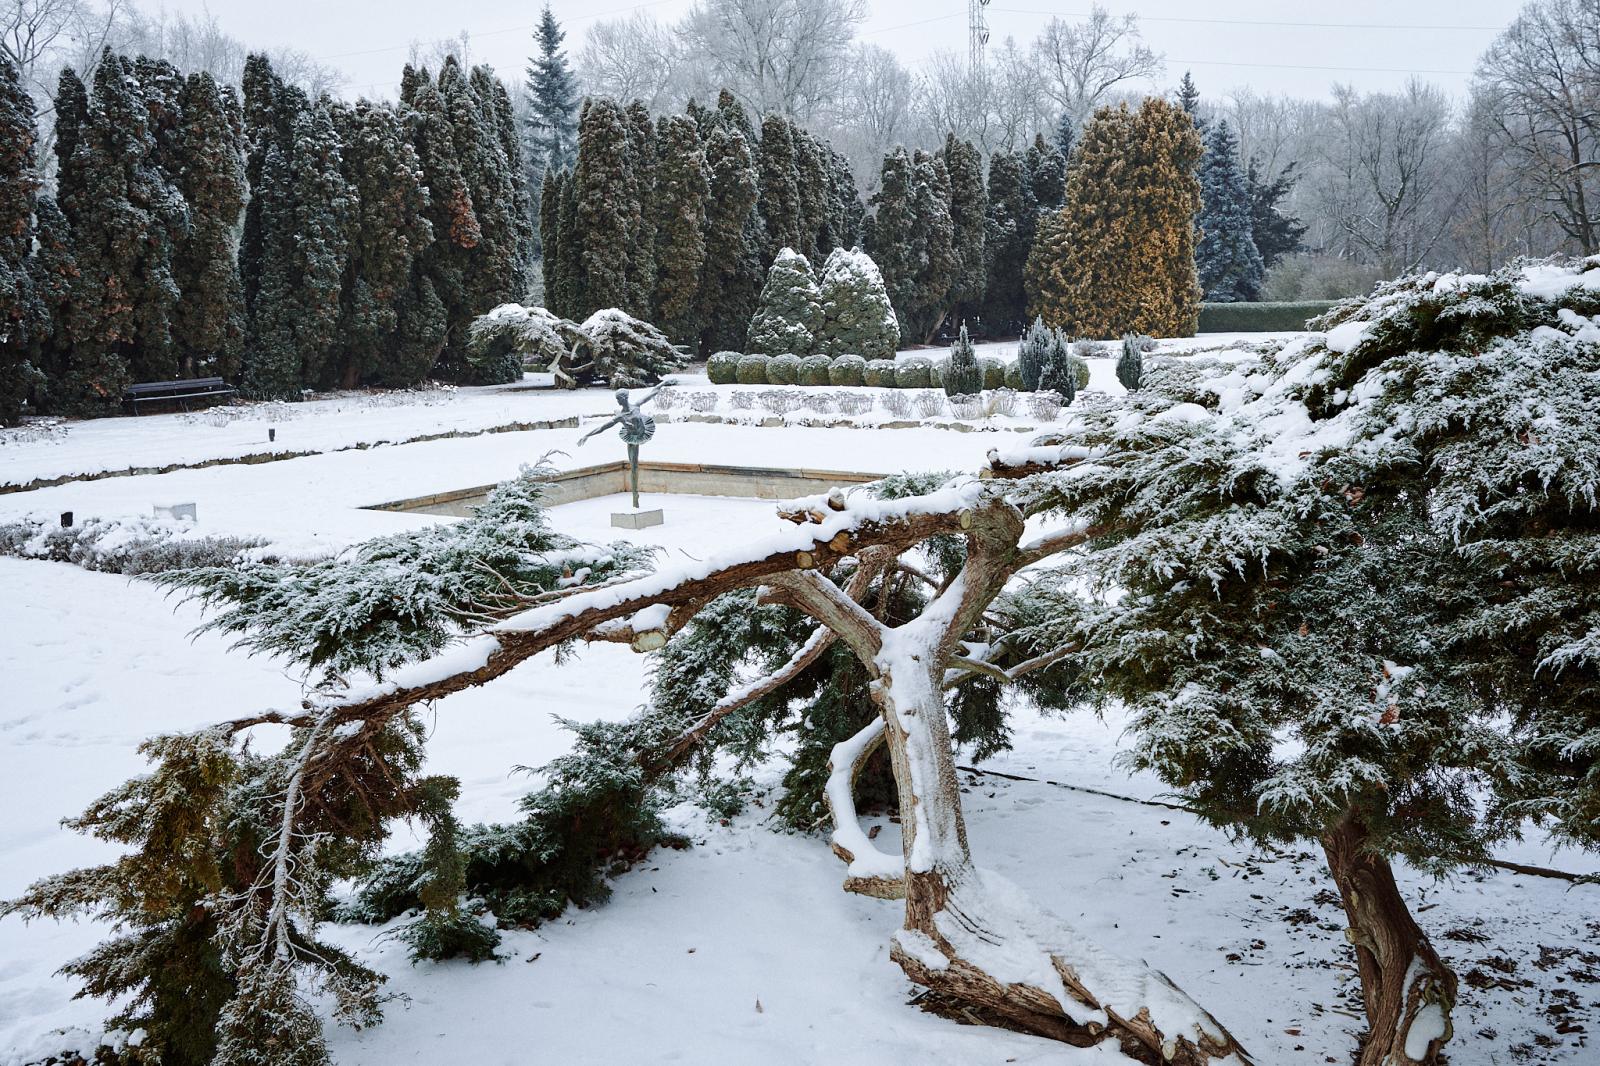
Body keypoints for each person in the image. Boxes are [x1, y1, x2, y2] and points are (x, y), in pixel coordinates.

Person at [577, 383, 671, 508]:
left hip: (643, 432)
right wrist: (587, 435)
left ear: (624, 398)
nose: (617, 401)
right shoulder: (620, 416)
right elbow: (602, 427)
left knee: (635, 465)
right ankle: (635, 495)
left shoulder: (636, 406)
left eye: (618, 399)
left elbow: (651, 393)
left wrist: (664, 383)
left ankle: (635, 494)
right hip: (632, 438)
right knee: (633, 465)